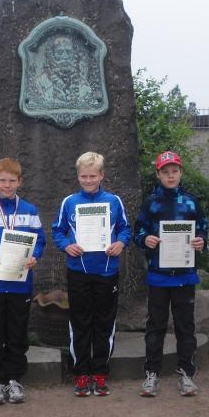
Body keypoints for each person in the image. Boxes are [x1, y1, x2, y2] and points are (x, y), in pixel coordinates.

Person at [51, 151, 132, 397]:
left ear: (102, 175)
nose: (88, 180)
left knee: (104, 323)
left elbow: (125, 229)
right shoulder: (69, 202)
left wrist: (120, 243)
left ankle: (100, 372)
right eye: (84, 176)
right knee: (80, 322)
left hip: (107, 271)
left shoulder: (114, 201)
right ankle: (81, 374)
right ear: (78, 176)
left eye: (93, 176)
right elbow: (58, 231)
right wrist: (67, 245)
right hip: (79, 271)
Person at [0, 157, 46, 405]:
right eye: (2, 180)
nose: (7, 185)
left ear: (20, 182)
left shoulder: (30, 211)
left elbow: (40, 240)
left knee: (17, 332)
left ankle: (14, 379)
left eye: (12, 181)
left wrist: (34, 256)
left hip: (19, 284)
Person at [134, 151, 208, 397]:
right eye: (165, 172)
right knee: (155, 327)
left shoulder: (192, 202)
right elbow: (138, 232)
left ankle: (187, 373)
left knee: (185, 327)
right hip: (158, 276)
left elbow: (203, 230)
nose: (170, 175)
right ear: (158, 174)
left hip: (185, 276)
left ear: (181, 172)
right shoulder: (151, 203)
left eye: (174, 171)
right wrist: (146, 239)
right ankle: (151, 374)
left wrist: (201, 241)